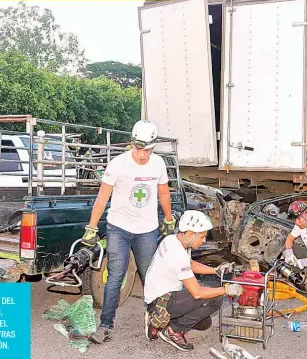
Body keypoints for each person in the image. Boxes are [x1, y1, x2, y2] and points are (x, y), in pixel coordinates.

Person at [81, 120, 176, 344]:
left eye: (148, 150)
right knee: (115, 276)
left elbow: (163, 194)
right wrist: (91, 227)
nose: (143, 154)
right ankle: (105, 325)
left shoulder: (158, 164)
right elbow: (102, 198)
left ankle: (156, 319)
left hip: (147, 230)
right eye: (139, 148)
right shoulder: (118, 164)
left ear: (153, 147)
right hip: (119, 228)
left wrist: (169, 219)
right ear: (132, 143)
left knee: (150, 276)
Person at [143, 210, 243, 352]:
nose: (204, 241)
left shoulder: (173, 240)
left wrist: (215, 270)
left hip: (159, 296)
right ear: (190, 234)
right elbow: (197, 293)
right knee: (216, 299)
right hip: (162, 300)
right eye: (202, 236)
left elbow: (190, 264)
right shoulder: (177, 253)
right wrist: (227, 290)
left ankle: (158, 321)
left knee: (204, 323)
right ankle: (173, 331)